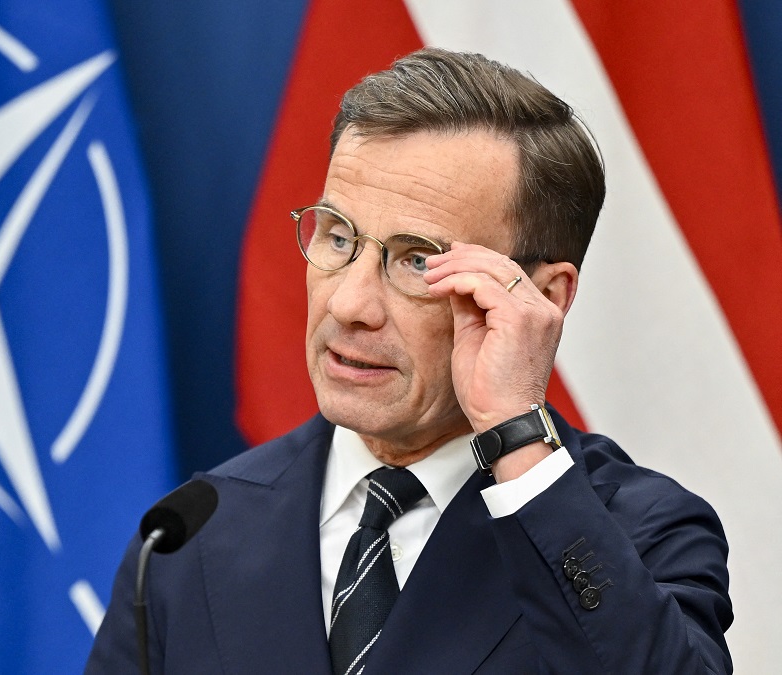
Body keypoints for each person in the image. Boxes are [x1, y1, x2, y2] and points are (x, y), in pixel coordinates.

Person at [86, 48, 732, 674]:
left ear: (543, 296)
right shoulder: (186, 537)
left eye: (418, 260)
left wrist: (517, 438)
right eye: (338, 237)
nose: (349, 303)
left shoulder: (639, 531)